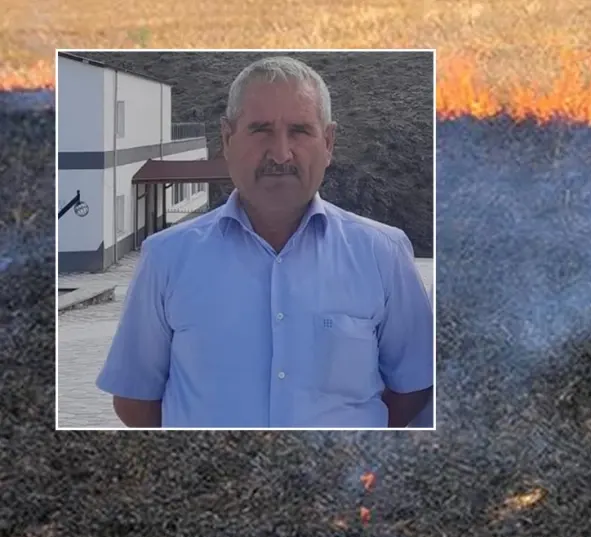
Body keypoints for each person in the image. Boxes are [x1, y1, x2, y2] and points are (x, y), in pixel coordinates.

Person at [96, 55, 433, 428]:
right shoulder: (167, 257)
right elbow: (134, 399)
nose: (281, 153)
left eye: (300, 131)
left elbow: (414, 389)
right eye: (260, 130)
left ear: (329, 142)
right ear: (227, 139)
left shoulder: (383, 253)